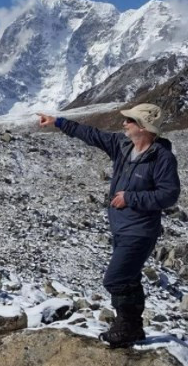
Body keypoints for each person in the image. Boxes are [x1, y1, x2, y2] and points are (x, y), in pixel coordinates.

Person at [38, 103, 181, 348]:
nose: (124, 124)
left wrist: (130, 198)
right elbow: (92, 135)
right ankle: (132, 328)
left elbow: (169, 195)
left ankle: (126, 327)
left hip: (140, 231)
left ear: (144, 127)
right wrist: (58, 122)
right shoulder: (123, 146)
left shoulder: (162, 158)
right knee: (129, 278)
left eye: (130, 121)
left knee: (115, 279)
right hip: (121, 228)